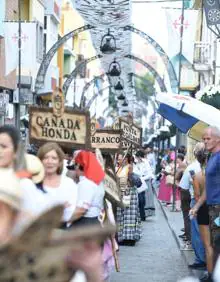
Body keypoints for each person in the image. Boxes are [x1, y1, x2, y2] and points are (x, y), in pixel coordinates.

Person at [190, 126, 220, 282]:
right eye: (204, 139)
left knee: (217, 246)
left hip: (218, 208)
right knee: (213, 246)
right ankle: (213, 275)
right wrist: (196, 206)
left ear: (218, 139)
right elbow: (208, 188)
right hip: (211, 206)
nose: (205, 141)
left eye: (208, 138)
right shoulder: (212, 158)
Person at [179, 143, 206, 265]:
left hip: (198, 202)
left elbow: (184, 186)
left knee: (197, 231)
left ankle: (201, 259)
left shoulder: (194, 169)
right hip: (212, 203)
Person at [192, 148, 213, 281]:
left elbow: (197, 196)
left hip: (204, 210)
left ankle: (210, 274)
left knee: (208, 245)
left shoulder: (198, 176)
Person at [69, 150, 105, 226]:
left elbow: (81, 210)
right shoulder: (97, 180)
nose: (75, 169)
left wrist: (66, 221)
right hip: (95, 221)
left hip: (84, 223)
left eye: (75, 165)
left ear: (78, 165)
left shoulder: (85, 183)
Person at [116, 152, 141, 246]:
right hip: (121, 192)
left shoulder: (129, 167)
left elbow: (129, 179)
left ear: (125, 159)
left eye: (120, 158)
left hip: (128, 193)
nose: (118, 160)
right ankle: (122, 236)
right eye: (118, 158)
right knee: (121, 215)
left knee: (128, 215)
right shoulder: (119, 167)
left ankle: (129, 238)